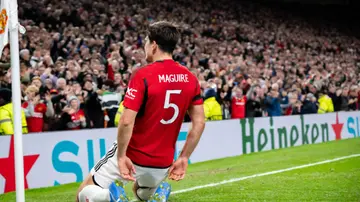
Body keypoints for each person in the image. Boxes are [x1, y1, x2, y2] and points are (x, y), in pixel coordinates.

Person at [77, 21, 205, 202]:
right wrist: (184, 157)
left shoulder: (143, 74)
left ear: (153, 45)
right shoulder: (190, 78)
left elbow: (127, 121)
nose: (144, 47)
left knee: (83, 193)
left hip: (134, 153)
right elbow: (200, 122)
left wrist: (121, 156)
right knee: (140, 192)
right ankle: (156, 194)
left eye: (145, 42)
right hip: (163, 162)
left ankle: (108, 198)